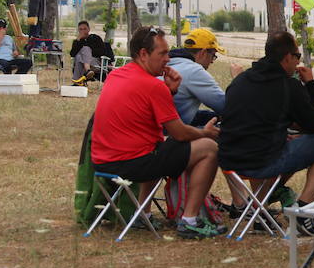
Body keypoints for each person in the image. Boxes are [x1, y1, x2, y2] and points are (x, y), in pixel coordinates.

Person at [90, 26, 223, 239]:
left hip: (101, 161)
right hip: (130, 163)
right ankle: (189, 220)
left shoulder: (117, 75)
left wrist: (170, 91)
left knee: (155, 144)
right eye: (162, 53)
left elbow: (148, 119)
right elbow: (179, 133)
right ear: (144, 54)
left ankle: (142, 213)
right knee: (209, 148)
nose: (168, 59)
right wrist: (205, 133)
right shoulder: (152, 85)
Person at [218, 31, 314, 236]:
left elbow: (251, 122)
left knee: (287, 145)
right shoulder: (288, 85)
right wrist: (311, 84)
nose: (298, 61)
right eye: (297, 56)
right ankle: (304, 208)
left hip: (230, 161)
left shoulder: (240, 80)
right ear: (287, 58)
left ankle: (255, 207)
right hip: (263, 161)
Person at [167, 28, 243, 126]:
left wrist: (214, 117)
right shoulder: (194, 71)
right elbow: (228, 108)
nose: (212, 61)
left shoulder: (169, 62)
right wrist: (238, 80)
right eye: (213, 56)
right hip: (168, 134)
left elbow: (181, 113)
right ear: (203, 53)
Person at [69, 20, 110, 85]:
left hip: (95, 62)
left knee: (85, 49)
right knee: (79, 57)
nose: (83, 31)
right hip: (82, 61)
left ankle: (77, 81)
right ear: (78, 30)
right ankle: (87, 71)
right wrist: (78, 40)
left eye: (85, 29)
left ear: (89, 29)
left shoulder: (95, 38)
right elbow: (72, 54)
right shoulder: (77, 41)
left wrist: (88, 48)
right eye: (80, 29)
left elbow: (102, 52)